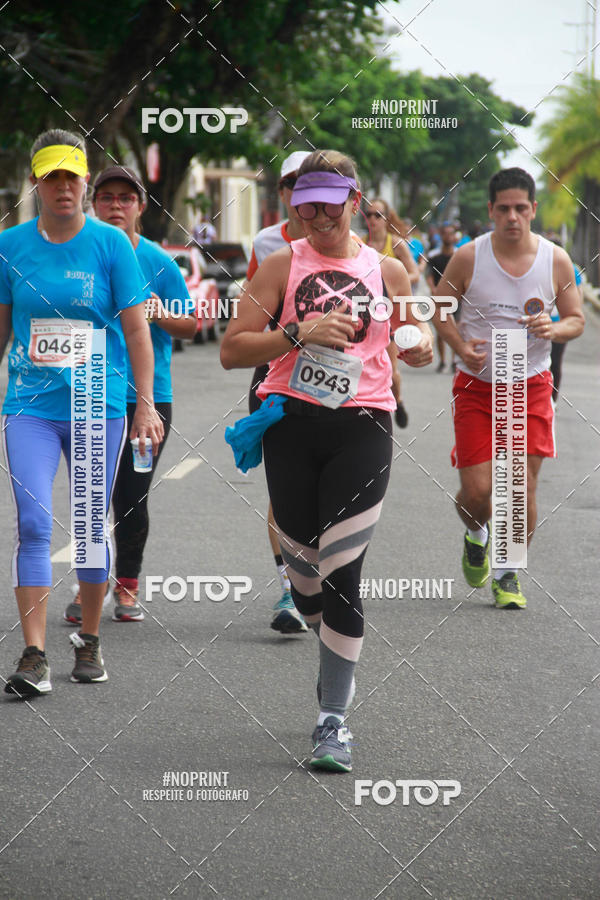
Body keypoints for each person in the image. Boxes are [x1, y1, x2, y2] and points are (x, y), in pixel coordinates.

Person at [221, 150, 432, 771]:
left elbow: (408, 330)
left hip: (364, 426)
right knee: (306, 581)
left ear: (353, 199)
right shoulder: (282, 266)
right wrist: (296, 335)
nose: (315, 212)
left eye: (327, 200)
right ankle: (327, 648)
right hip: (292, 428)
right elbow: (233, 350)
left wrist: (413, 348)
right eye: (303, 201)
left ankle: (332, 719)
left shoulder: (387, 269)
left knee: (342, 572)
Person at [1, 130, 163, 697]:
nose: (63, 187)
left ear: (84, 181)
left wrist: (145, 404)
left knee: (93, 525)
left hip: (98, 401)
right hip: (30, 406)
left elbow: (138, 332)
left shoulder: (112, 245)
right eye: (52, 177)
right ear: (36, 183)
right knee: (34, 522)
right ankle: (34, 653)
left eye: (72, 176)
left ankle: (89, 641)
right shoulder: (11, 245)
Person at [432, 167, 584, 609]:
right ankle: (476, 533)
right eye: (504, 209)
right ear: (491, 211)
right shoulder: (467, 257)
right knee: (479, 493)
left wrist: (552, 327)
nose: (513, 217)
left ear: (533, 209)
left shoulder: (555, 260)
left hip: (530, 386)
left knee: (520, 488)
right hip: (477, 387)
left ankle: (508, 572)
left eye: (521, 208)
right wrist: (461, 346)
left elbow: (576, 319)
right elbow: (440, 310)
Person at [63, 165, 195, 625]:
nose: (115, 206)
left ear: (140, 206)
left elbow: (192, 324)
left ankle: (128, 585)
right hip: (90, 388)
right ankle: (87, 587)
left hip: (148, 398)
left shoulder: (158, 261)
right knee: (90, 495)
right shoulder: (77, 253)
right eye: (106, 198)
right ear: (92, 203)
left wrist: (158, 312)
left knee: (131, 495)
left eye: (125, 198)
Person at [244, 150, 311, 634]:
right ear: (283, 193)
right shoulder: (267, 243)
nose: (297, 194)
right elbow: (249, 319)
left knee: (330, 489)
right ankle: (289, 588)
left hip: (341, 381)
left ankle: (319, 578)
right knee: (286, 487)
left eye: (309, 184)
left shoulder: (356, 244)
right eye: (290, 185)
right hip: (277, 374)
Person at [364, 197, 419, 428]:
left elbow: (414, 273)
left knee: (391, 368)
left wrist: (395, 284)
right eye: (368, 215)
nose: (373, 220)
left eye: (378, 215)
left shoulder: (395, 243)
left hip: (391, 312)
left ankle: (398, 400)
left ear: (386, 219)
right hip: (366, 312)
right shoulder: (360, 244)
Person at [425, 222, 456, 372]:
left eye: (451, 233)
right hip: (439, 297)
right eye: (446, 233)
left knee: (457, 329)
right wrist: (433, 289)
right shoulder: (434, 255)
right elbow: (429, 275)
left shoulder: (459, 255)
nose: (448, 236)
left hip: (457, 298)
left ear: (455, 236)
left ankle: (455, 360)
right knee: (441, 330)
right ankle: (442, 360)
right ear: (441, 235)